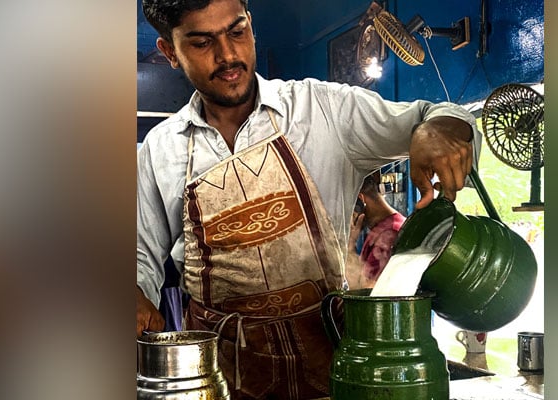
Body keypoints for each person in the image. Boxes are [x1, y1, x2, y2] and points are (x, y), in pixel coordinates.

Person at [137, 1, 481, 398]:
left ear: (251, 24)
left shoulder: (322, 110)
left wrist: (440, 128)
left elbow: (434, 113)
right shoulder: (160, 150)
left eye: (237, 31)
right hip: (220, 380)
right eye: (201, 43)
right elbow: (139, 257)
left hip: (336, 369)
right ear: (169, 52)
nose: (228, 55)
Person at [346, 171, 406, 289]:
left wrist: (349, 246)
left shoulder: (389, 234)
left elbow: (365, 290)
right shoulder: (382, 228)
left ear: (360, 200)